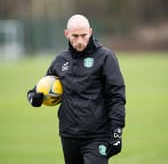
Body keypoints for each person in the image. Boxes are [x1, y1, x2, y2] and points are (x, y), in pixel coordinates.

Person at [27, 14, 126, 164]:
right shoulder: (60, 61)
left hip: (97, 135)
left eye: (83, 35)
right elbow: (39, 88)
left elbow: (116, 96)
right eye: (75, 36)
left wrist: (117, 131)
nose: (80, 41)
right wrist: (34, 98)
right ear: (66, 34)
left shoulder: (106, 58)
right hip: (69, 136)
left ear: (91, 32)